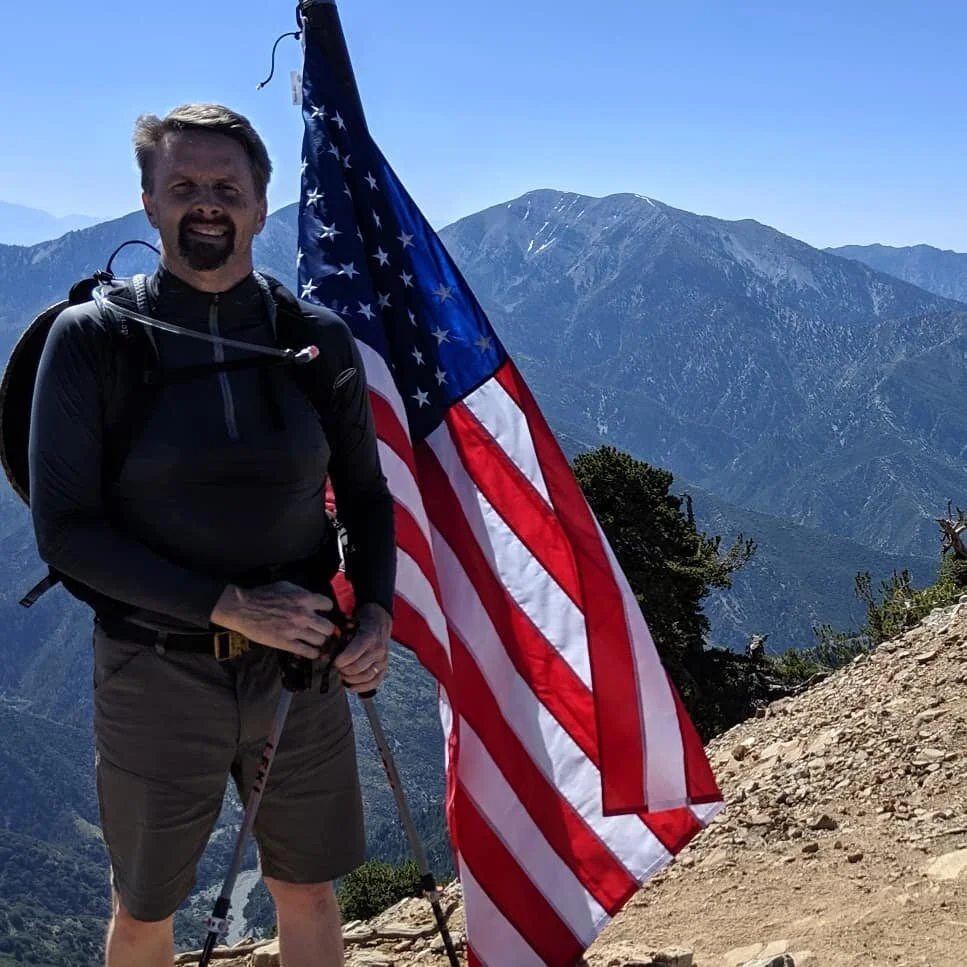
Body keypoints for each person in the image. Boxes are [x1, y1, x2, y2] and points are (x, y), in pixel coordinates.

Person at [27, 103, 396, 967]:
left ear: (261, 207)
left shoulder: (314, 340)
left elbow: (369, 499)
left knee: (306, 886)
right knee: (146, 903)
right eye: (183, 184)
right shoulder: (94, 340)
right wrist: (231, 606)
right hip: (156, 669)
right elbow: (67, 533)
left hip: (301, 667)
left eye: (226, 187)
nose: (206, 202)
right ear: (149, 202)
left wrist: (375, 612)